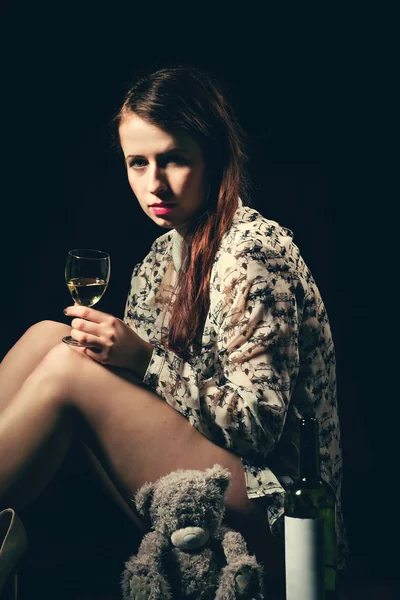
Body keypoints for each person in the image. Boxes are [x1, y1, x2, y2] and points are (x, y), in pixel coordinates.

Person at [0, 65, 346, 596]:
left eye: (174, 160)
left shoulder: (252, 253)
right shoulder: (163, 254)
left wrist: (142, 360)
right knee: (51, 337)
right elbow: (147, 404)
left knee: (69, 369)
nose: (153, 184)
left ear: (213, 158)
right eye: (137, 163)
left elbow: (258, 430)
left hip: (283, 523)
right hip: (196, 492)